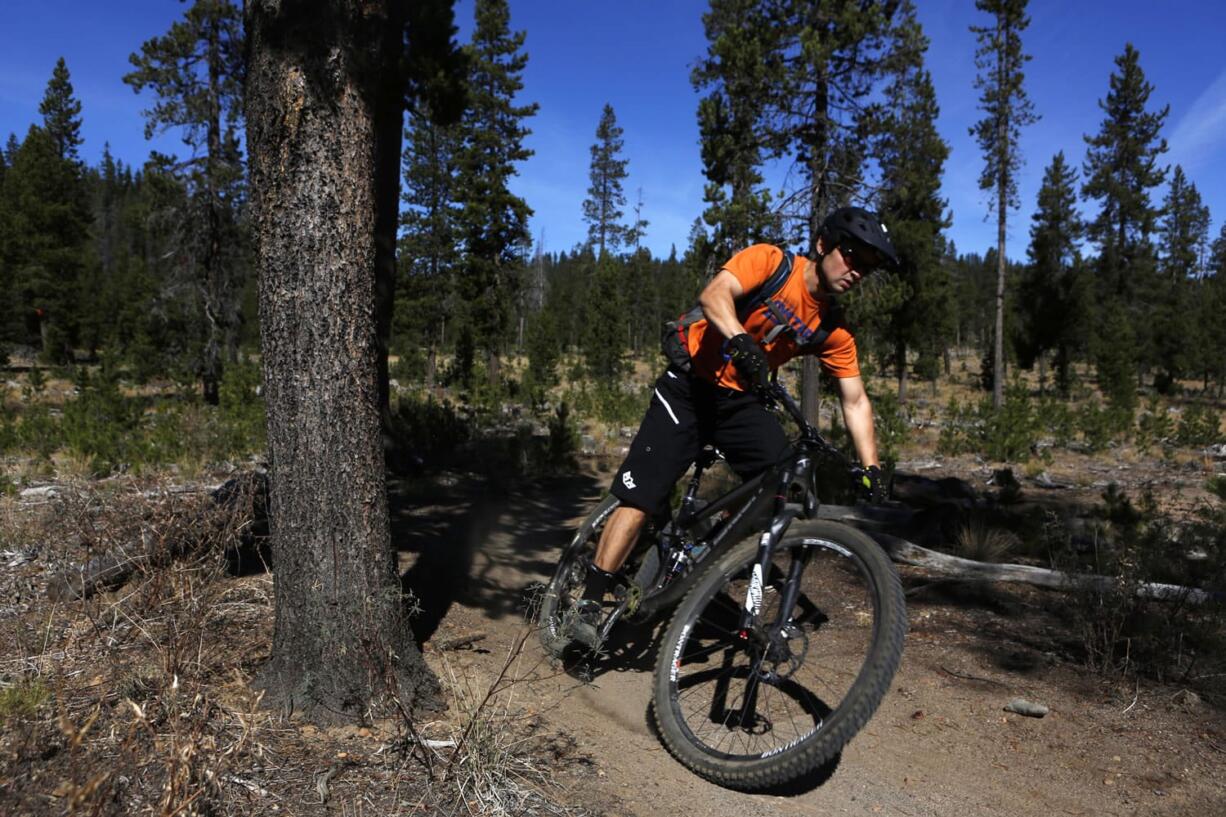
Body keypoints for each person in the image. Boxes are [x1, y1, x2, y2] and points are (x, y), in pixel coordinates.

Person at [563, 206, 899, 649]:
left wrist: (870, 466)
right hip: (690, 385)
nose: (857, 271)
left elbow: (854, 399)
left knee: (783, 478)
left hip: (739, 401)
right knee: (645, 493)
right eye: (852, 255)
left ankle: (704, 543)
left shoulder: (833, 330)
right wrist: (740, 339)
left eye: (867, 268)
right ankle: (589, 601)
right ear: (823, 245)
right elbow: (716, 294)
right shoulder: (772, 263)